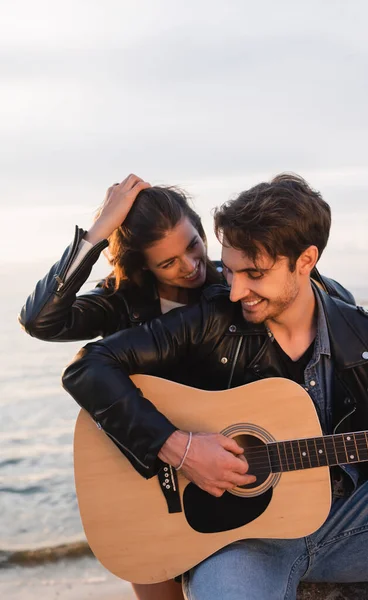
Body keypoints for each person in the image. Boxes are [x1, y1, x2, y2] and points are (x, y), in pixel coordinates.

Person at [61, 173, 368, 599]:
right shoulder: (214, 320)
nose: (235, 290)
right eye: (233, 270)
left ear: (306, 260)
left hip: (351, 522)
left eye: (253, 274)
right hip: (240, 541)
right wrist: (179, 446)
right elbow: (89, 366)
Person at [19, 173, 223, 600]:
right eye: (167, 262)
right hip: (147, 474)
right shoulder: (122, 301)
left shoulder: (234, 289)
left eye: (192, 245)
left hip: (219, 468)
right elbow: (41, 320)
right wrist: (97, 233)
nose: (189, 265)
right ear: (143, 266)